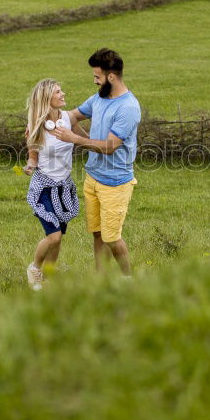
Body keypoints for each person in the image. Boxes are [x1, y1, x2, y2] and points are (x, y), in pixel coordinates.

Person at [49, 48, 141, 276]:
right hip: (93, 178)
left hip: (115, 183)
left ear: (111, 76)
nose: (95, 81)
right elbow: (71, 116)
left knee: (112, 237)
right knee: (98, 233)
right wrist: (41, 121)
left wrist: (76, 139)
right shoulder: (100, 97)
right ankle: (102, 279)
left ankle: (129, 278)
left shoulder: (127, 107)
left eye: (97, 77)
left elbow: (110, 147)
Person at [22, 79, 88, 290]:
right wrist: (30, 166)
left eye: (61, 90)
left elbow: (87, 141)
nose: (63, 94)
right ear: (46, 98)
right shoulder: (36, 126)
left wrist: (105, 147)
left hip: (64, 187)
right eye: (58, 92)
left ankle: (49, 276)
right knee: (54, 235)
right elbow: (33, 157)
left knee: (58, 238)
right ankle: (35, 269)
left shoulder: (69, 118)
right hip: (44, 187)